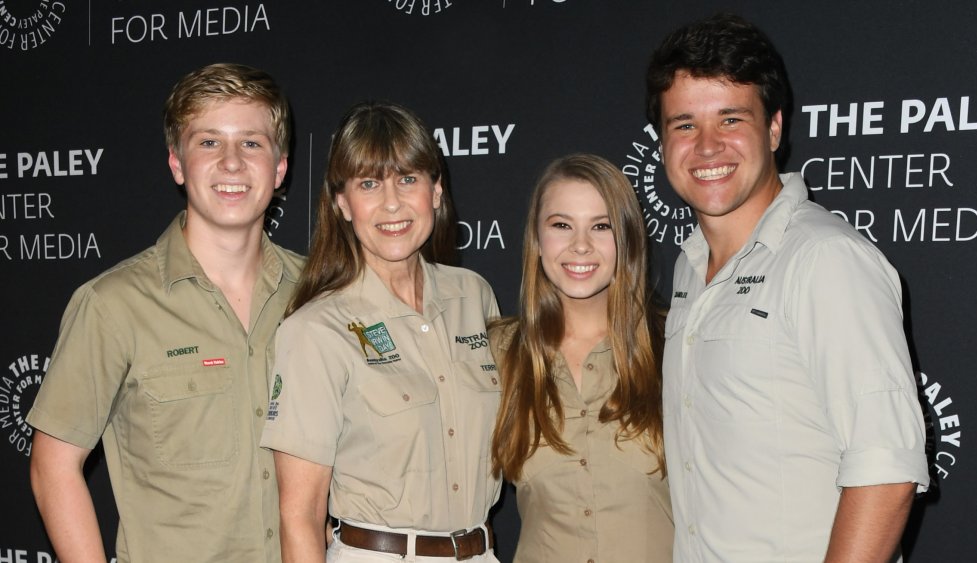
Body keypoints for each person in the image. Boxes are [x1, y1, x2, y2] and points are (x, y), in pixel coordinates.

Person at [646, 13, 930, 562]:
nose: (706, 147)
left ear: (774, 128)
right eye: (684, 124)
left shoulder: (825, 259)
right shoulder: (688, 265)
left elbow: (887, 471)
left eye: (730, 120)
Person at [26, 63, 302, 562]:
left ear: (280, 168)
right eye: (209, 142)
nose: (233, 163)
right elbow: (53, 467)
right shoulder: (112, 305)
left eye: (252, 143)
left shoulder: (318, 294)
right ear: (177, 164)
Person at [259, 101, 502, 562]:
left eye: (408, 179)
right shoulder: (315, 330)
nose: (392, 203)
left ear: (435, 190)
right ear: (342, 203)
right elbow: (301, 515)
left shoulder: (474, 296)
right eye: (369, 184)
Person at [490, 154, 674, 563]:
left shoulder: (678, 344)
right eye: (561, 225)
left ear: (626, 238)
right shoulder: (498, 352)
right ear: (537, 240)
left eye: (601, 226)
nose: (580, 245)